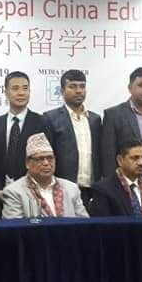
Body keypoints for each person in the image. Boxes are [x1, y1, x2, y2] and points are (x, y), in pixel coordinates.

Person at [0, 71, 46, 189]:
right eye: (15, 88)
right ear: (6, 92)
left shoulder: (42, 123)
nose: (21, 93)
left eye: (25, 88)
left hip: (32, 189)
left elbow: (44, 159)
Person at [42, 69, 101, 203]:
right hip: (62, 189)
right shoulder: (50, 118)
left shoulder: (95, 119)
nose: (78, 91)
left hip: (93, 189)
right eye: (72, 86)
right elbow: (47, 156)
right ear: (62, 91)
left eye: (82, 86)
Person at [0, 133, 89, 218]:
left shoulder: (71, 188)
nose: (46, 163)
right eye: (40, 159)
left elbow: (84, 223)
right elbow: (14, 226)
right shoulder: (14, 192)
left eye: (50, 158)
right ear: (27, 163)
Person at [88, 140, 142, 217]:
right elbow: (103, 224)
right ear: (120, 160)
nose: (141, 163)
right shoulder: (103, 189)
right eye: (135, 158)